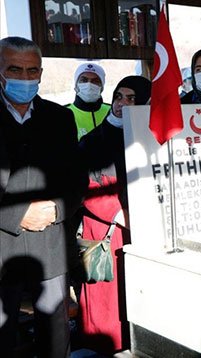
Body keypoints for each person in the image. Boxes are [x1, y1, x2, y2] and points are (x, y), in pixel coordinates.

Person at [0, 36, 87, 357]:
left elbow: (76, 178)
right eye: (15, 69)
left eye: (31, 71)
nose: (24, 78)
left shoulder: (59, 118)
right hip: (1, 250)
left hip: (50, 245)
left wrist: (57, 209)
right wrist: (16, 214)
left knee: (55, 337)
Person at [77, 75, 151, 355]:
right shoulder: (94, 141)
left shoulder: (148, 136)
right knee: (109, 304)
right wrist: (124, 216)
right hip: (109, 232)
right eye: (119, 97)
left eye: (132, 98)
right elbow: (88, 189)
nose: (122, 104)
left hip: (143, 228)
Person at [67, 62, 111, 140]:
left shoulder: (112, 112)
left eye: (95, 81)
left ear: (102, 87)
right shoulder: (63, 113)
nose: (89, 84)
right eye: (84, 80)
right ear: (76, 85)